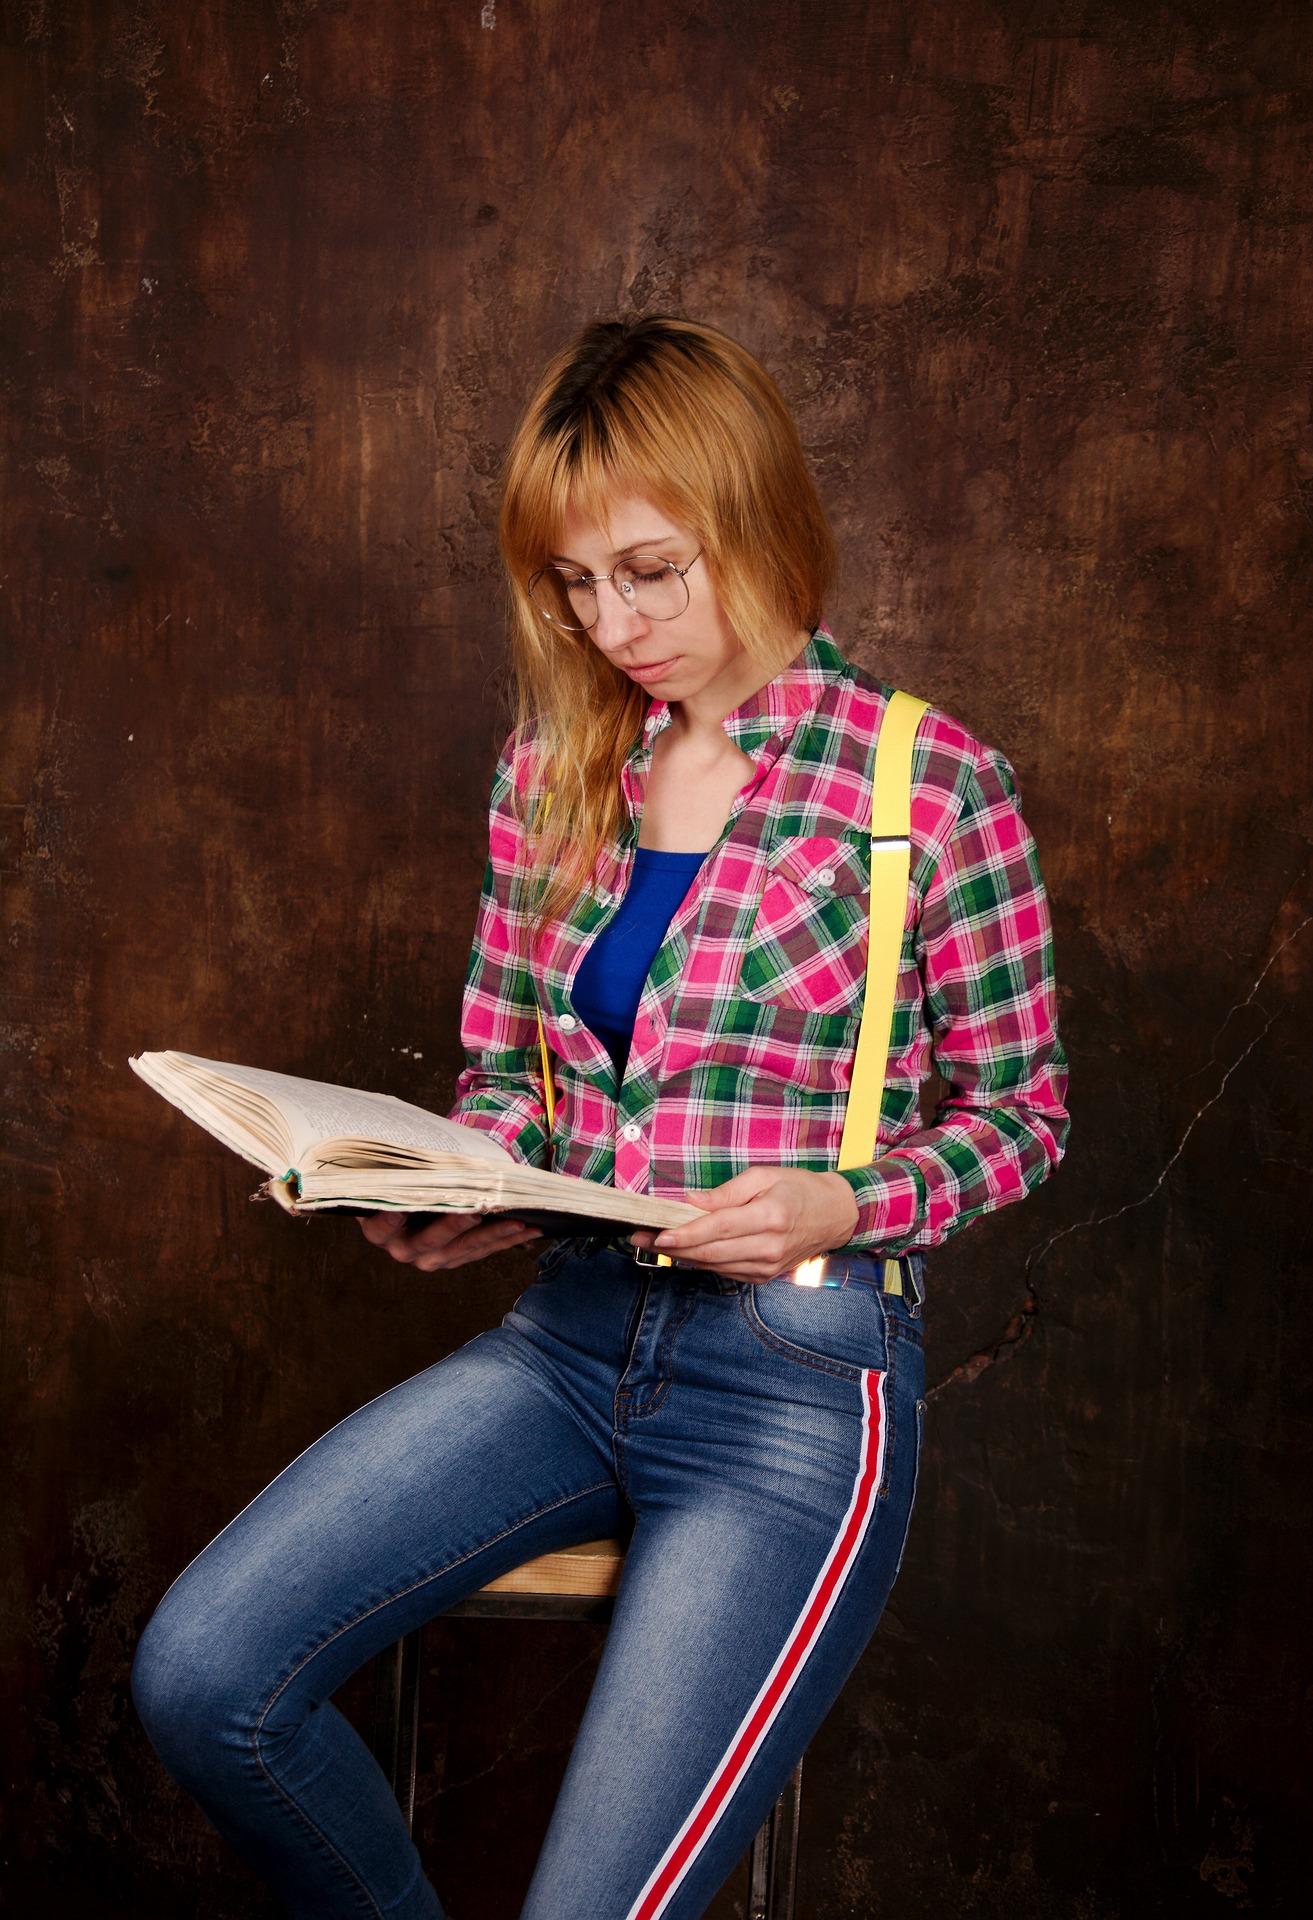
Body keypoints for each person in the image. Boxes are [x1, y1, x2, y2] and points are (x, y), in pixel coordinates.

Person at [131, 314, 1070, 1920]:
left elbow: (1022, 1113)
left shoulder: (929, 784)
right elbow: (508, 1073)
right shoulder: (553, 768)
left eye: (650, 570)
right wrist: (467, 1180)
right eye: (573, 584)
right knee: (205, 1674)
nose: (610, 622)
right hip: (565, 1343)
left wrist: (837, 1204)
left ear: (754, 516)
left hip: (789, 1391)